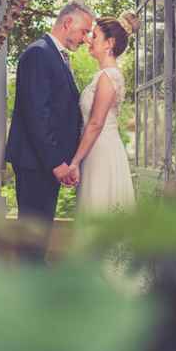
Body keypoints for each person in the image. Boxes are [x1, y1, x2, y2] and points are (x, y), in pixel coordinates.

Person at [4, 1, 94, 259]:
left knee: (38, 239)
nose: (86, 38)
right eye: (84, 31)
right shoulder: (39, 54)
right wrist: (56, 163)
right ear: (67, 23)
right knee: (32, 240)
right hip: (36, 164)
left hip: (44, 164)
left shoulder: (55, 55)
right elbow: (37, 115)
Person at [67, 12, 140, 213]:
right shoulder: (104, 75)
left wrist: (75, 161)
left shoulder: (109, 76)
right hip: (96, 149)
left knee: (99, 207)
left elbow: (96, 123)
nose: (89, 40)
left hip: (101, 151)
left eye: (95, 36)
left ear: (109, 43)